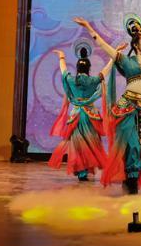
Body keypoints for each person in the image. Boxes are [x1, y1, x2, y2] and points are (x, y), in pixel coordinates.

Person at [73, 8, 141, 194]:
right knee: (133, 144)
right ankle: (132, 180)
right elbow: (103, 45)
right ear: (136, 44)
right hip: (128, 109)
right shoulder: (126, 61)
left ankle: (130, 178)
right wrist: (88, 27)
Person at [49, 42, 116, 181]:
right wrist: (114, 56)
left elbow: (63, 71)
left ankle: (81, 172)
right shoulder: (93, 80)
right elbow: (105, 71)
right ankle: (88, 167)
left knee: (77, 144)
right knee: (91, 143)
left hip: (76, 115)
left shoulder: (71, 80)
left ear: (77, 67)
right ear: (89, 68)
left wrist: (62, 56)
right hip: (91, 116)